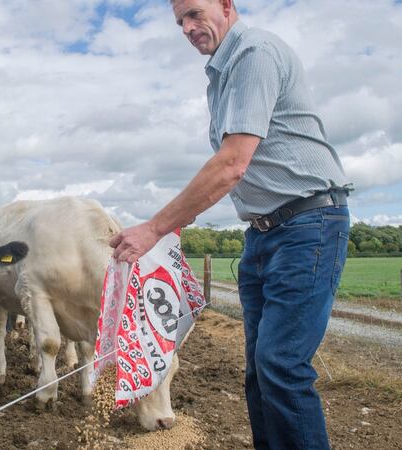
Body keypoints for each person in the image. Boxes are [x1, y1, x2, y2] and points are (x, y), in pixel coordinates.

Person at [109, 0, 351, 448]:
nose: (187, 27)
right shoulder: (220, 77)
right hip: (264, 232)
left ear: (226, 5)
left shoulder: (253, 54)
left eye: (195, 13)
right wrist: (173, 226)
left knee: (282, 364)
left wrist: (155, 227)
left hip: (307, 224)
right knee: (261, 372)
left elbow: (232, 164)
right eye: (180, 20)